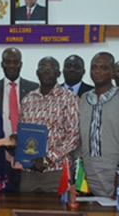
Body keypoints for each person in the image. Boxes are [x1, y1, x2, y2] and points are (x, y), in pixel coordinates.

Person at [78, 52, 119, 199]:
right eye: (94, 67)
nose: (98, 72)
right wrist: (79, 178)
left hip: (118, 179)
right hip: (90, 181)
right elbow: (78, 141)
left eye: (104, 68)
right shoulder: (84, 99)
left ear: (113, 72)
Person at [16, 57, 80, 193]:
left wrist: (48, 159)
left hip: (56, 172)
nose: (46, 71)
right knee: (25, 213)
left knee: (57, 213)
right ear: (37, 72)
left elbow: (73, 138)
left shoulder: (70, 99)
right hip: (29, 172)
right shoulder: (27, 99)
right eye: (43, 68)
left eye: (51, 68)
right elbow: (24, 132)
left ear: (58, 74)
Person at [0, 47, 39, 191]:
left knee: (25, 196)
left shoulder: (34, 88)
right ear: (2, 64)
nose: (12, 65)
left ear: (21, 64)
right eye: (8, 62)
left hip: (27, 151)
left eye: (15, 62)